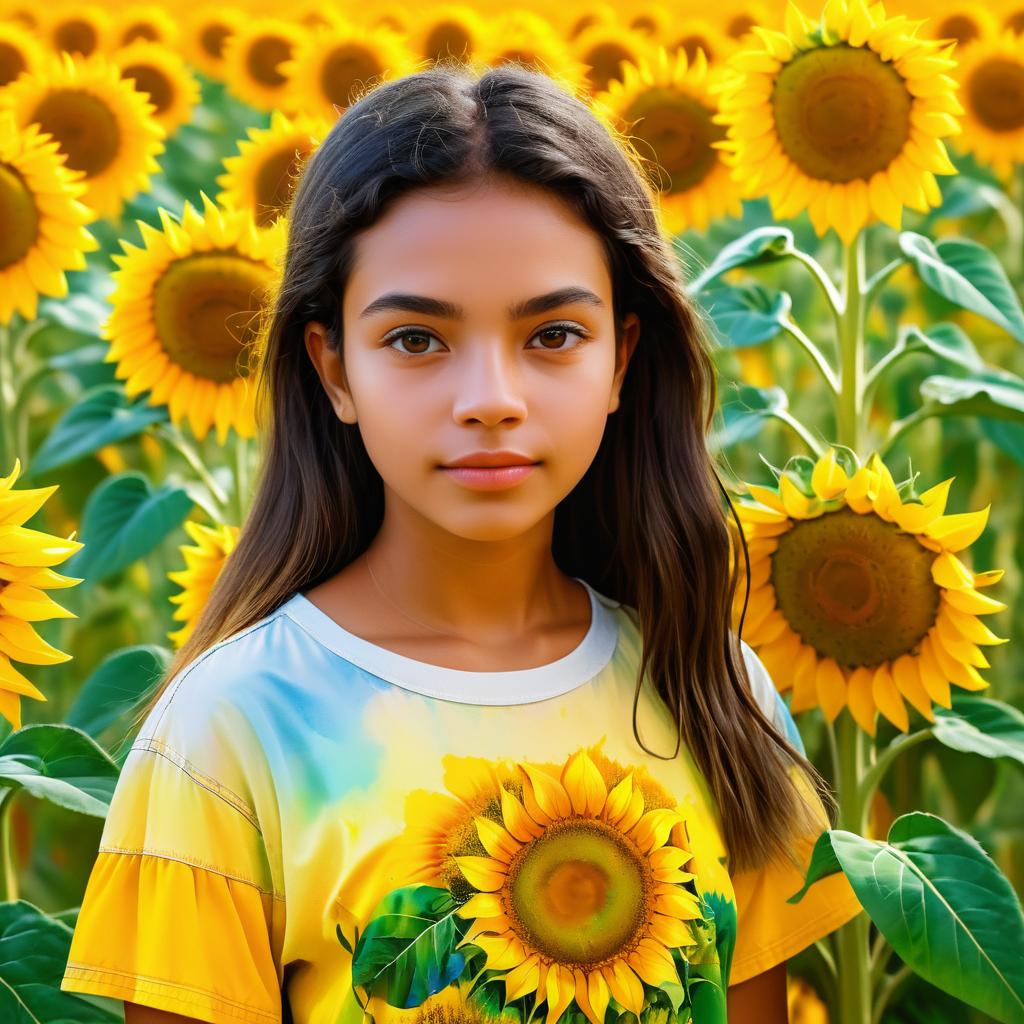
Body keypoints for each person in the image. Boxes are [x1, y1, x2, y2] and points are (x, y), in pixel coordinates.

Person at [59, 58, 862, 1024]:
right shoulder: (232, 730)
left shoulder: (717, 690)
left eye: (554, 334)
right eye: (417, 341)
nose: (491, 399)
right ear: (334, 370)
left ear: (623, 360)